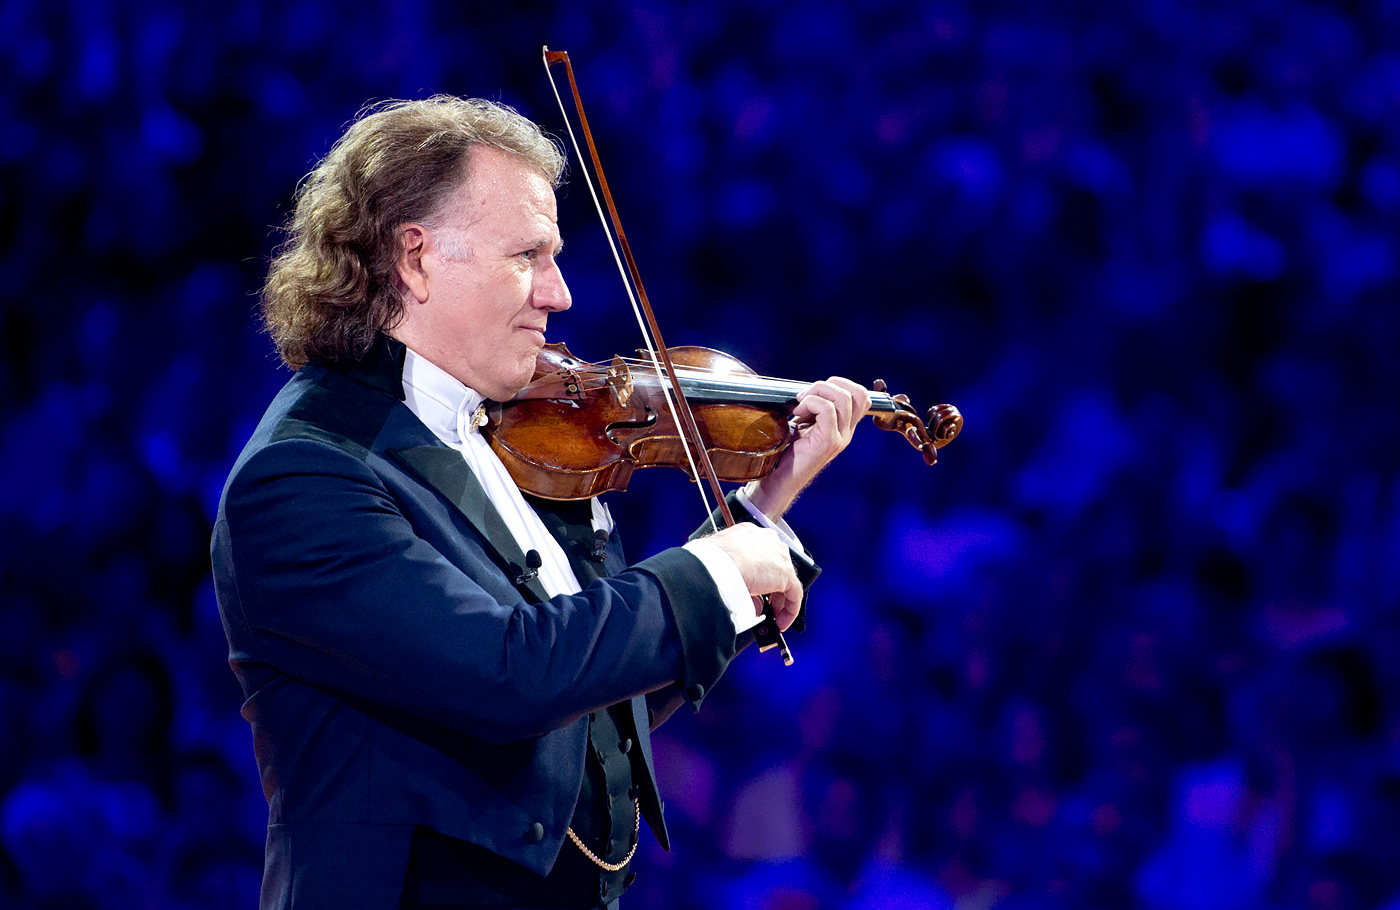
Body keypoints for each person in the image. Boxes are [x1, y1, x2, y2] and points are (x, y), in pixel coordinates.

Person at [211, 95, 871, 910]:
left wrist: (763, 505)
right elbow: (507, 674)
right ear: (414, 258)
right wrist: (715, 568)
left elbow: (593, 697)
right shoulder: (307, 475)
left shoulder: (507, 435)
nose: (558, 293)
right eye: (529, 254)